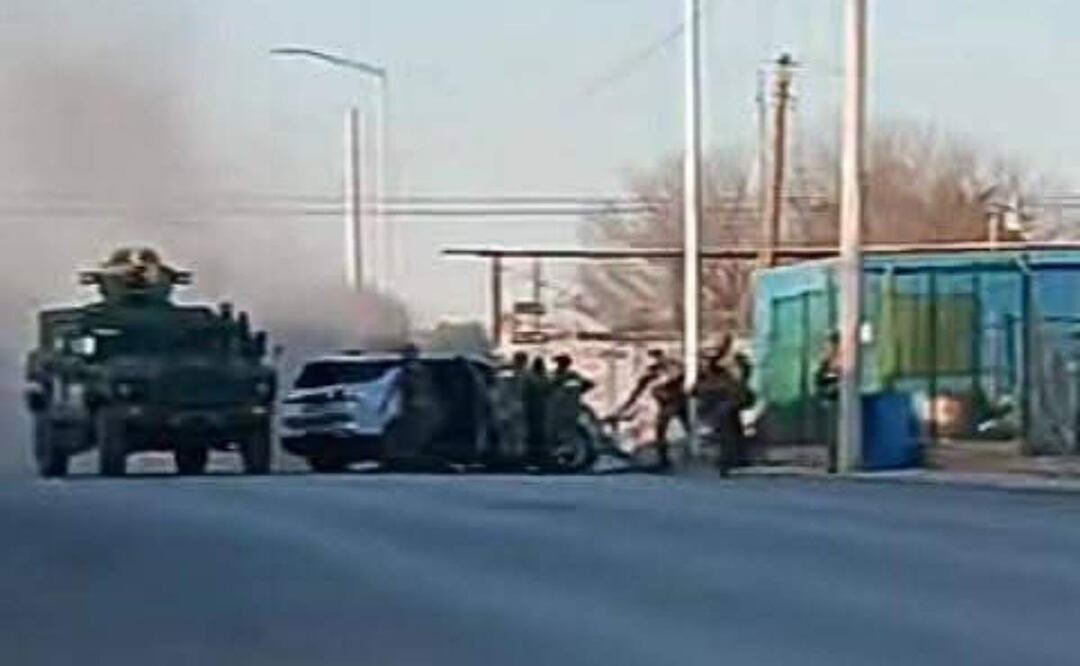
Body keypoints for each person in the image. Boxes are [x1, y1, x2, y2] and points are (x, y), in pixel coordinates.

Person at [615, 349, 686, 471]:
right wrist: (624, 409)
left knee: (665, 430)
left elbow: (638, 393)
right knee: (661, 431)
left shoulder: (672, 370)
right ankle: (663, 459)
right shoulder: (652, 375)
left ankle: (666, 459)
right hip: (667, 403)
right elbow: (636, 393)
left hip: (675, 402)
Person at [546, 355, 596, 464]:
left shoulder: (571, 376)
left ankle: (566, 454)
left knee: (566, 432)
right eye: (559, 363)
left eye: (561, 363)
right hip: (557, 408)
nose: (559, 365)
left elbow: (588, 384)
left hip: (566, 408)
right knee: (557, 432)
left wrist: (577, 391)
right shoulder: (556, 375)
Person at [815, 332, 841, 473]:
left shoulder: (844, 360)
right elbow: (819, 379)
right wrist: (824, 393)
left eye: (831, 345)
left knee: (838, 434)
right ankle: (832, 462)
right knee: (832, 434)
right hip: (831, 401)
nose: (829, 348)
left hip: (842, 402)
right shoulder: (826, 363)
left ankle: (837, 462)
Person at [523, 356, 551, 467]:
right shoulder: (540, 378)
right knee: (537, 435)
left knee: (537, 435)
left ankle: (536, 457)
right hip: (536, 409)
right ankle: (537, 458)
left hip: (536, 409)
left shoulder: (531, 377)